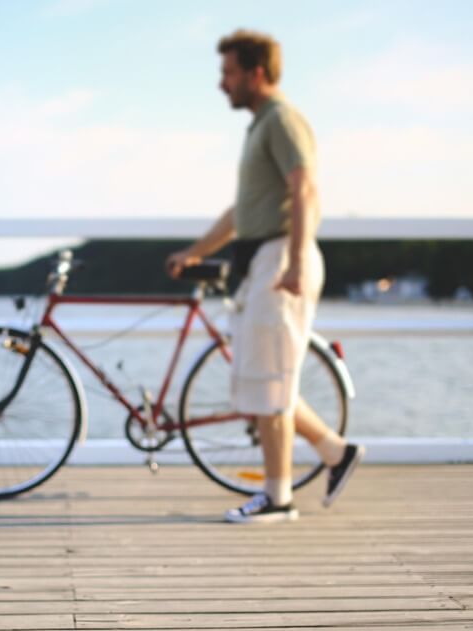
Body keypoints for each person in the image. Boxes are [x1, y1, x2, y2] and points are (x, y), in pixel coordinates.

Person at [165, 29, 363, 524]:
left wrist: (295, 261)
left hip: (280, 259)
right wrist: (194, 252)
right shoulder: (259, 128)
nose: (221, 84)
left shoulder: (282, 120)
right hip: (263, 259)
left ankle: (278, 500)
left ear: (256, 72)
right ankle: (336, 453)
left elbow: (306, 190)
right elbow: (242, 212)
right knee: (264, 381)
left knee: (270, 384)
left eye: (228, 73)